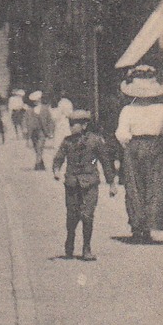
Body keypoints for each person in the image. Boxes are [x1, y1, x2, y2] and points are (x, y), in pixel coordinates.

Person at [52, 110, 118, 261]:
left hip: (90, 184)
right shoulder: (67, 141)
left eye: (74, 124)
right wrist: (56, 170)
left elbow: (105, 163)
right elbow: (58, 158)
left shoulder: (95, 141)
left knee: (87, 216)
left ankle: (86, 248)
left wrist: (112, 184)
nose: (71, 127)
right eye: (70, 124)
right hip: (72, 184)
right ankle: (70, 242)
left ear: (84, 125)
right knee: (72, 217)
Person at [115, 64, 163, 243]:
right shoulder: (162, 109)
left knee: (134, 187)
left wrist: (129, 147)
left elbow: (121, 134)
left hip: (134, 146)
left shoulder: (128, 110)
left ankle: (138, 227)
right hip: (156, 146)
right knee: (155, 186)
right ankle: (150, 225)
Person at [22, 90, 54, 170]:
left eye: (37, 100)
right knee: (36, 148)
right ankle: (41, 163)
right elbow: (24, 120)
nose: (36, 102)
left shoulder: (45, 109)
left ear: (40, 100)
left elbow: (50, 121)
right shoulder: (29, 110)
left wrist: (51, 132)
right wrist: (25, 128)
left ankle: (37, 164)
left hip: (42, 131)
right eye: (34, 101)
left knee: (40, 147)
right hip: (33, 132)